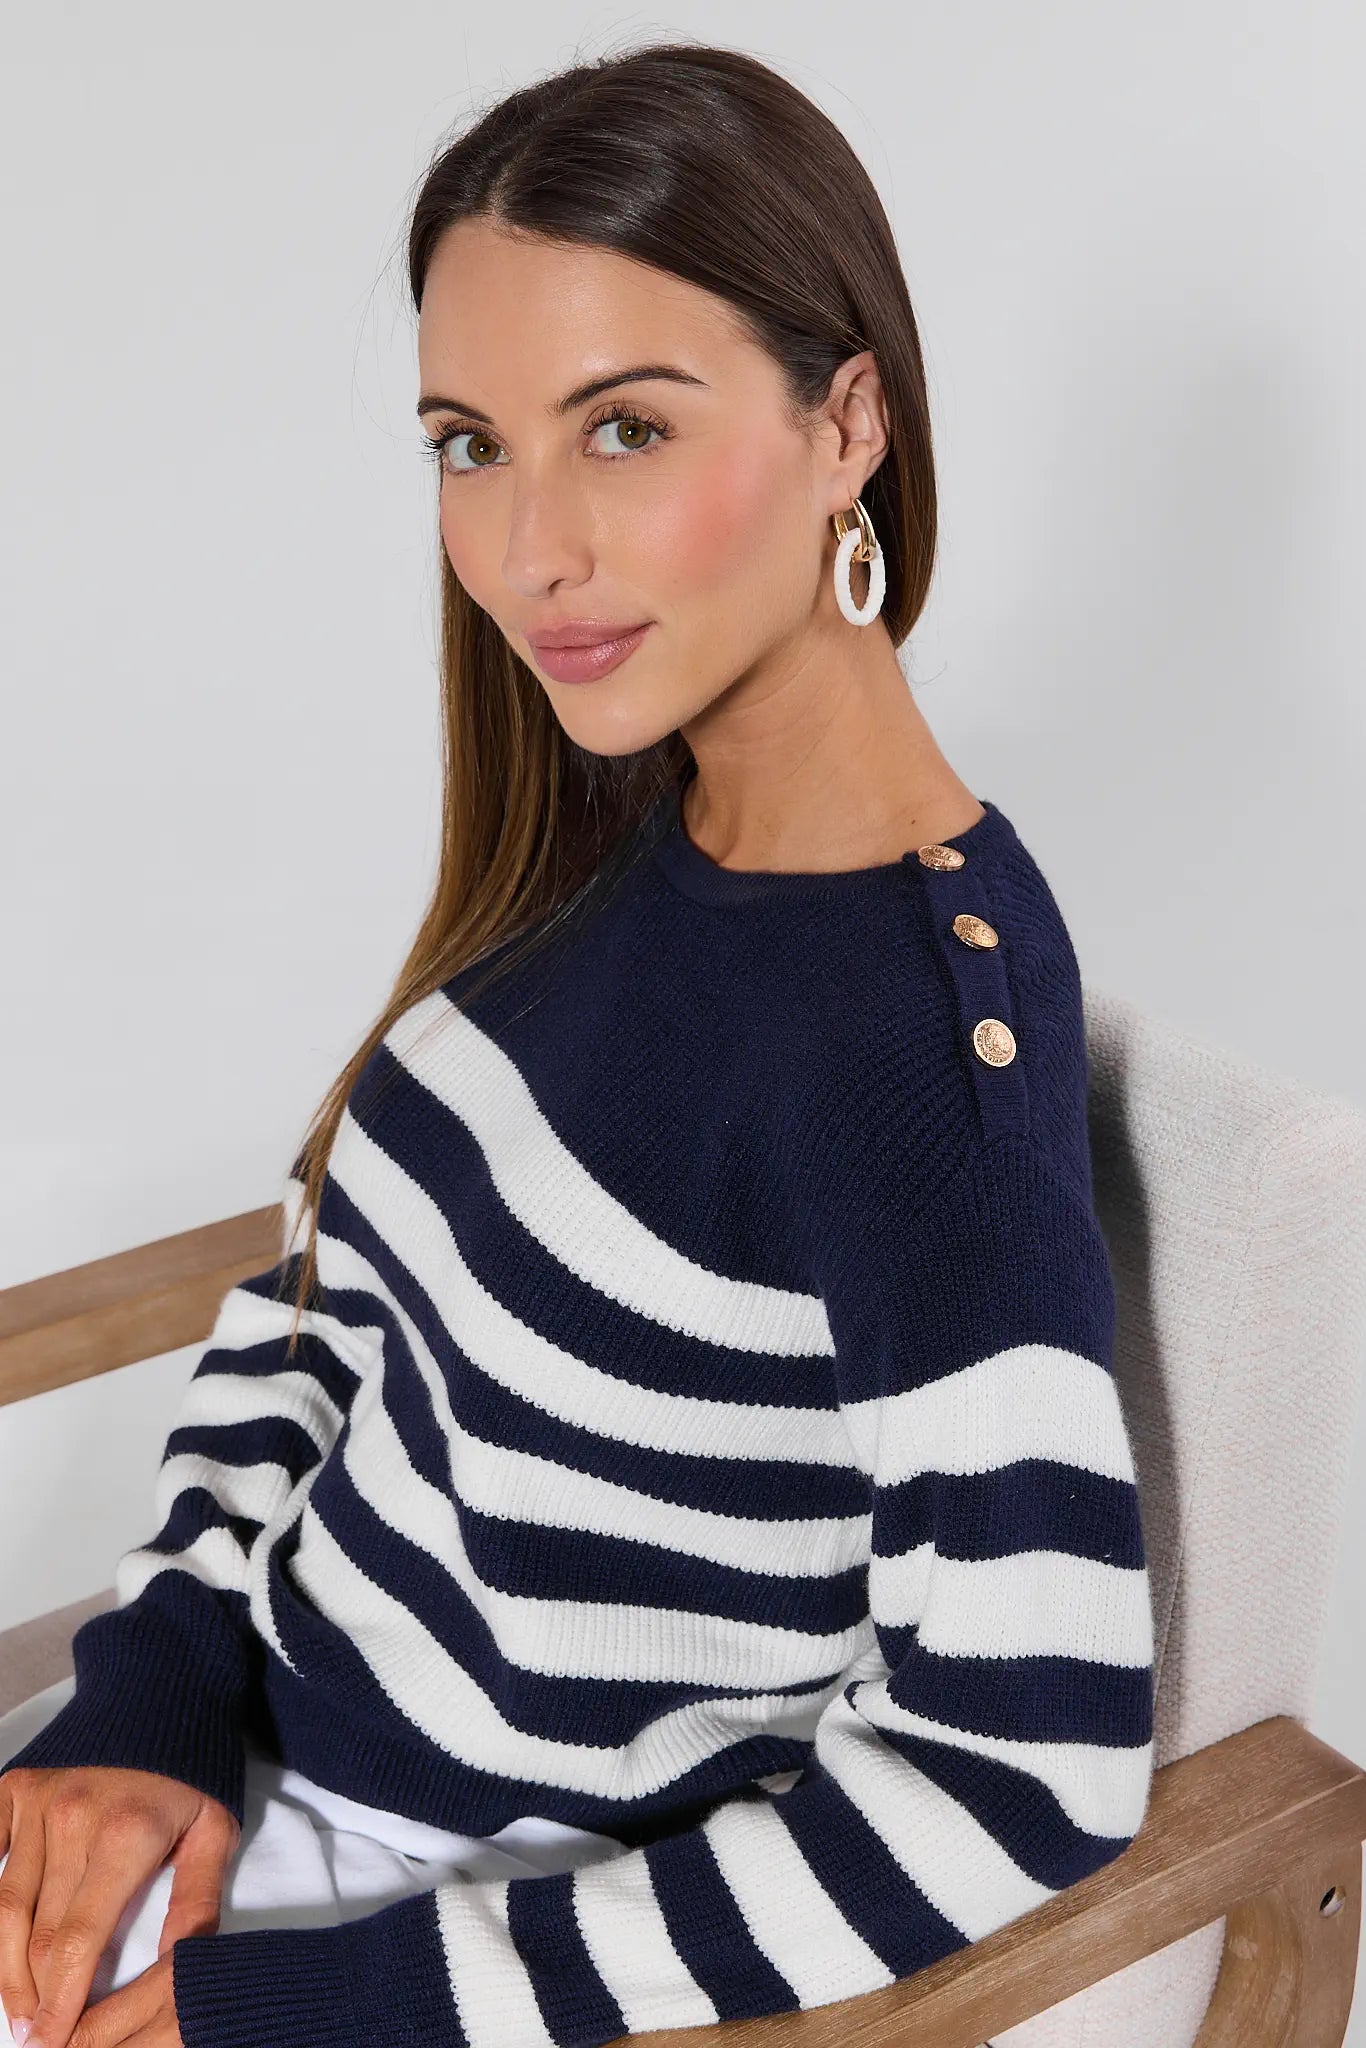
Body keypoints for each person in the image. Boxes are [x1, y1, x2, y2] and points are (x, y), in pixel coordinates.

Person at [0, 37, 1154, 2048]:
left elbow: (1015, 1772)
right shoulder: (617, 819)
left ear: (846, 417)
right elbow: (321, 1313)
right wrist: (153, 1694)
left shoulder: (909, 1057)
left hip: (384, 1938)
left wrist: (314, 2009)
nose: (529, 548)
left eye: (621, 430)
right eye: (470, 442)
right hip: (203, 1798)